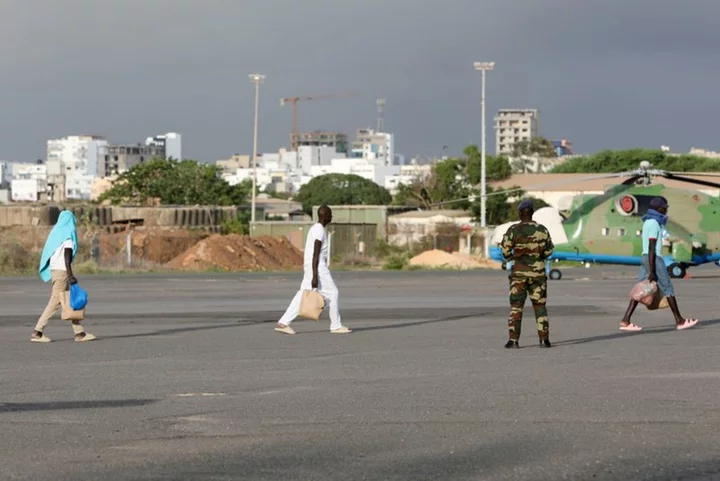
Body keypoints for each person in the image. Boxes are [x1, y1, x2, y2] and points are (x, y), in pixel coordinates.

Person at [619, 196, 698, 331]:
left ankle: (626, 320)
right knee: (668, 288)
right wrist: (652, 271)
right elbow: (651, 246)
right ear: (658, 208)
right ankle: (680, 320)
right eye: (664, 208)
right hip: (653, 258)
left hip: (645, 257)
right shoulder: (654, 223)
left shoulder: (648, 221)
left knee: (640, 289)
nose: (666, 211)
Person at [275, 205, 351, 335]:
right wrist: (315, 275)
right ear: (324, 216)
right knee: (333, 293)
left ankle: (283, 323)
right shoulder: (319, 230)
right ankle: (336, 326)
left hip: (312, 266)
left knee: (303, 294)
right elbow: (316, 254)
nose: (331, 217)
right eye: (330, 214)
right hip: (317, 267)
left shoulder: (316, 229)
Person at [31, 211, 96, 343]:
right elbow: (67, 256)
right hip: (63, 271)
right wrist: (71, 275)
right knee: (55, 301)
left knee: (68, 300)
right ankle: (38, 331)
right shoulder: (68, 234)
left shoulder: (56, 234)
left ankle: (79, 333)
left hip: (55, 270)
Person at [500, 199, 554, 348]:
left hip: (519, 275)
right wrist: (538, 257)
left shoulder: (513, 230)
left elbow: (504, 251)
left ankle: (514, 340)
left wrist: (513, 257)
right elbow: (549, 250)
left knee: (516, 307)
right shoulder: (542, 230)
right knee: (540, 306)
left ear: (520, 213)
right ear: (532, 213)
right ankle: (544, 340)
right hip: (538, 275)